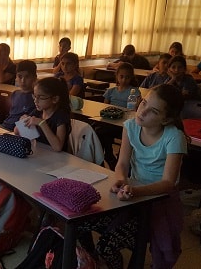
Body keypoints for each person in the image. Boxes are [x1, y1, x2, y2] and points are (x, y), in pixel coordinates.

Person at [80, 84, 187, 269]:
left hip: (161, 200)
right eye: (143, 103)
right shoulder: (130, 126)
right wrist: (121, 180)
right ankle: (94, 260)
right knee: (80, 222)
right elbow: (122, 163)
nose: (142, 111)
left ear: (166, 119)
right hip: (134, 195)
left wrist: (136, 191)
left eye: (152, 110)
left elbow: (168, 183)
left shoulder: (174, 137)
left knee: (163, 248)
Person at [100, 62, 141, 168]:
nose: (123, 80)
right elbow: (104, 106)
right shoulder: (111, 91)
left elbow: (135, 108)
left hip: (124, 122)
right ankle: (107, 154)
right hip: (111, 120)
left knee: (110, 132)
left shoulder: (133, 91)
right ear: (117, 76)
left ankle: (119, 157)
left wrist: (137, 103)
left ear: (131, 78)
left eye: (127, 77)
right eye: (121, 77)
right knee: (99, 131)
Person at [14, 77, 71, 152]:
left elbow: (58, 147)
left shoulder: (61, 117)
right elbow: (16, 131)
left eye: (41, 97)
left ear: (55, 99)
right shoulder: (37, 112)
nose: (35, 101)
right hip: (41, 153)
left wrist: (42, 123)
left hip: (58, 159)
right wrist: (22, 122)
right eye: (34, 96)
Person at [0, 60, 37, 131]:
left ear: (34, 77)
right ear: (16, 77)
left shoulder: (36, 98)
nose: (23, 80)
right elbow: (12, 116)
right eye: (20, 76)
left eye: (27, 77)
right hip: (4, 126)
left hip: (18, 131)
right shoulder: (15, 94)